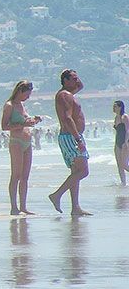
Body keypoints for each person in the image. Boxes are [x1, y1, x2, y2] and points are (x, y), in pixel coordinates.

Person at [49, 69, 91, 215]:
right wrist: (78, 139)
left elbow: (81, 86)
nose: (76, 81)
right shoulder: (64, 95)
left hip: (72, 136)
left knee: (75, 173)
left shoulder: (69, 93)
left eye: (76, 78)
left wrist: (74, 75)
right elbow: (67, 118)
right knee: (83, 171)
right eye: (73, 78)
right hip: (71, 136)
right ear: (65, 81)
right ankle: (56, 195)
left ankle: (75, 207)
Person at [1, 80, 41, 215]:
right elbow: (4, 126)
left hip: (27, 142)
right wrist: (23, 124)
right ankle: (14, 206)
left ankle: (23, 206)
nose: (28, 97)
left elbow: (25, 122)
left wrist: (33, 121)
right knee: (16, 175)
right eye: (27, 94)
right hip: (16, 141)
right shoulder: (9, 105)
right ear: (20, 91)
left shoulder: (22, 105)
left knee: (25, 176)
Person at [112, 100, 129, 185]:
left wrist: (126, 142)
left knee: (124, 165)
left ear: (120, 107)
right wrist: (115, 144)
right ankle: (123, 183)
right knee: (119, 165)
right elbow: (117, 132)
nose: (113, 108)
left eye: (115, 106)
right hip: (117, 142)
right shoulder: (116, 118)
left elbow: (128, 130)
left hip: (125, 142)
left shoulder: (124, 117)